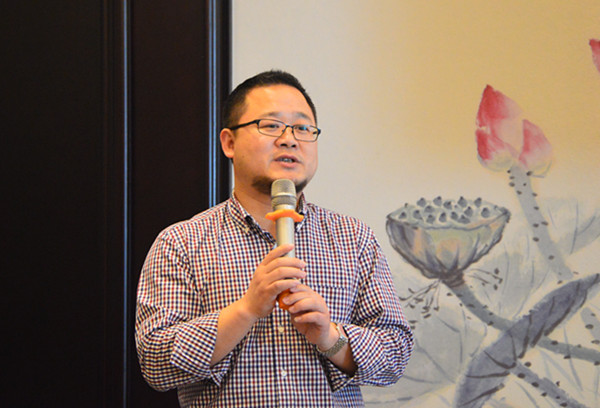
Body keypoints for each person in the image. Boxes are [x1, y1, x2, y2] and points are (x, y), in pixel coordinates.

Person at [135, 70, 414, 407]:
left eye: (303, 128)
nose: (289, 139)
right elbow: (156, 363)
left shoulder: (353, 239)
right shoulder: (181, 242)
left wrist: (331, 338)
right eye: (270, 125)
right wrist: (245, 310)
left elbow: (395, 356)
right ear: (229, 142)